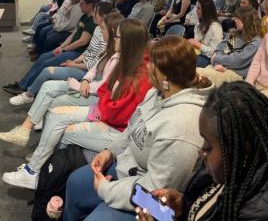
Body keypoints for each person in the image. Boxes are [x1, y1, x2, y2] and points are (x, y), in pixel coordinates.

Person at [136, 81, 268, 221]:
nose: (201, 152)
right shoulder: (244, 165)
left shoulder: (260, 213)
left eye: (209, 145)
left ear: (242, 150)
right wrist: (184, 205)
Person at [63, 36, 213, 220]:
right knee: (75, 182)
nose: (147, 67)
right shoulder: (157, 93)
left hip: (153, 207)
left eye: (152, 64)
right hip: (128, 170)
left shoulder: (180, 128)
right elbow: (132, 129)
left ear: (165, 76)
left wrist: (106, 190)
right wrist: (110, 152)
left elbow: (154, 195)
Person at [2, 19, 151, 190]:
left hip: (116, 127)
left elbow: (116, 112)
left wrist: (99, 105)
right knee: (56, 113)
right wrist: (97, 95)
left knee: (62, 127)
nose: (114, 40)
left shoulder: (139, 73)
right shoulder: (127, 61)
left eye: (117, 37)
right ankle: (35, 170)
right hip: (104, 112)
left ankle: (42, 173)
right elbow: (105, 90)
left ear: (128, 41)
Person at [0, 12, 123, 146]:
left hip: (93, 91)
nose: (99, 30)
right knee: (47, 81)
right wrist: (84, 76)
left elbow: (102, 81)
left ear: (113, 31)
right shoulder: (108, 46)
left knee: (49, 79)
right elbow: (93, 66)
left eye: (103, 28)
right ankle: (25, 128)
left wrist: (78, 76)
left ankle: (30, 105)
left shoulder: (116, 54)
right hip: (87, 81)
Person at [8, 3, 114, 106]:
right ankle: (26, 87)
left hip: (88, 71)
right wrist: (75, 59)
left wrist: (74, 64)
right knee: (44, 58)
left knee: (47, 69)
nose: (93, 14)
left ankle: (28, 94)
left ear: (104, 16)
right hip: (82, 62)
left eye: (96, 12)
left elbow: (95, 64)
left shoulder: (108, 37)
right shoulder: (97, 29)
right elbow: (89, 50)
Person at [4, 0, 99, 96]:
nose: (79, 5)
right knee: (42, 57)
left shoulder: (92, 21)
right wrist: (61, 47)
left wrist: (64, 49)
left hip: (77, 52)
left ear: (90, 5)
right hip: (69, 48)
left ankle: (26, 88)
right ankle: (22, 84)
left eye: (82, 4)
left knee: (46, 63)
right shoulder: (84, 16)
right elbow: (73, 34)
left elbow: (82, 41)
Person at [198, 6, 261, 87]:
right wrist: (216, 64)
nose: (234, 20)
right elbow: (220, 51)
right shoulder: (235, 35)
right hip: (220, 67)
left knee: (198, 76)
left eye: (237, 18)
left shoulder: (255, 42)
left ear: (246, 20)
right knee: (197, 74)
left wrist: (216, 58)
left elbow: (237, 61)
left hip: (236, 72)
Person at [188, 0, 224, 68]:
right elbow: (196, 44)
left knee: (184, 62)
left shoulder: (215, 27)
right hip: (198, 53)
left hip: (208, 58)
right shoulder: (198, 25)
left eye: (198, 8)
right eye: (196, 8)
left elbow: (214, 52)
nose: (196, 11)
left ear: (206, 11)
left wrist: (197, 44)